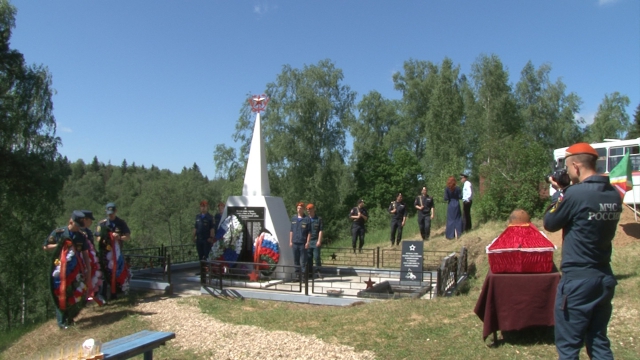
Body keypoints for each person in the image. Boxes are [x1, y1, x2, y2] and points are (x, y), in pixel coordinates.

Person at [543, 142, 621, 360]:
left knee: (568, 348)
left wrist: (559, 193)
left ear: (576, 167)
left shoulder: (574, 195)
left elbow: (550, 222)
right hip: (603, 276)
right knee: (598, 341)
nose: (567, 173)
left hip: (577, 281)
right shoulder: (613, 194)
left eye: (568, 168)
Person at [43, 210, 91, 329]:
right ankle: (62, 322)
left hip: (75, 270)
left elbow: (85, 254)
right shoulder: (59, 233)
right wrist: (59, 244)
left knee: (73, 293)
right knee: (61, 294)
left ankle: (70, 318)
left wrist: (88, 271)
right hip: (60, 270)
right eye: (76, 225)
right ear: (71, 221)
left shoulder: (81, 236)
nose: (78, 228)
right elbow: (46, 246)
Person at [289, 202, 310, 280]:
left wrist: (308, 242)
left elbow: (309, 232)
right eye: (298, 208)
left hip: (303, 243)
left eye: (300, 208)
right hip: (295, 242)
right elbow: (291, 231)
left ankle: (304, 276)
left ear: (303, 209)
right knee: (296, 260)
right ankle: (297, 275)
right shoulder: (294, 218)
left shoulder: (306, 219)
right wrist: (290, 241)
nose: (299, 209)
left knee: (303, 260)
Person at [306, 203, 323, 278]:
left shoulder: (318, 219)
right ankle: (310, 272)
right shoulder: (306, 219)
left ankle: (318, 271)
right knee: (309, 257)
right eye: (307, 210)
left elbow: (321, 230)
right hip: (308, 241)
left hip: (315, 240)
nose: (308, 211)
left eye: (310, 209)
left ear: (313, 209)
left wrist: (319, 240)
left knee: (316, 257)